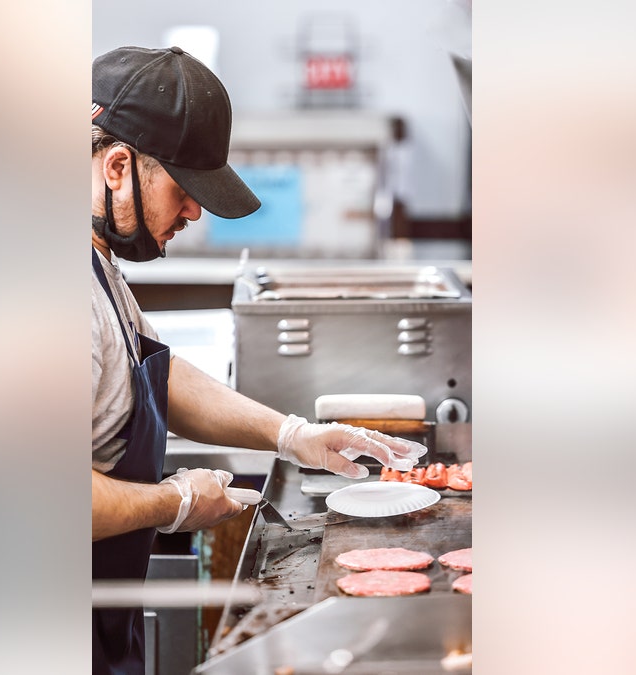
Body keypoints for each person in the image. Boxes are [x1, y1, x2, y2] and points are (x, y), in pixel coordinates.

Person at [90, 46, 427, 675]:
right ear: (117, 166)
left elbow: (150, 374)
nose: (193, 211)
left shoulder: (97, 267)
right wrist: (173, 503)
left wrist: (291, 435)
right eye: (183, 190)